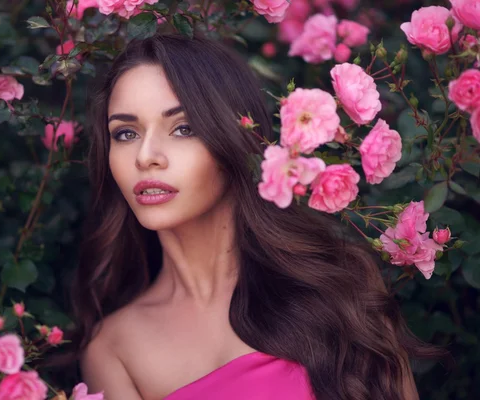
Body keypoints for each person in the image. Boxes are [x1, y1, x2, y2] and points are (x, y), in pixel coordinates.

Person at [69, 33, 441, 400]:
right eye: (126, 133)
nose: (145, 156)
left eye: (183, 128)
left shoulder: (337, 282)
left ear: (235, 137)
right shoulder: (113, 349)